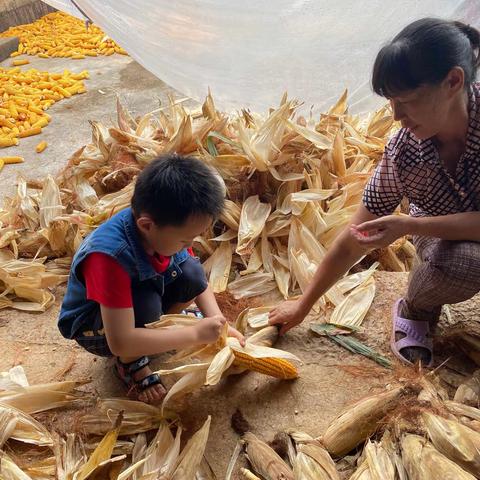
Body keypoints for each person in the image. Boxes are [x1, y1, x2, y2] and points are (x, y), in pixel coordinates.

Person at [270, 18, 480, 367]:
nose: (397, 116)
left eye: (407, 100)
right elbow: (355, 236)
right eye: (391, 102)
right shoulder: (405, 150)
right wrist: (302, 305)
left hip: (433, 226)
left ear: (453, 81)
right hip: (445, 241)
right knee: (465, 264)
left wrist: (411, 226)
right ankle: (417, 309)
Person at [58, 154, 244, 403]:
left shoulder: (164, 228)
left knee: (190, 272)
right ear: (146, 225)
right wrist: (195, 335)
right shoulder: (108, 257)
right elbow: (120, 341)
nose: (190, 244)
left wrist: (218, 323)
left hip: (138, 299)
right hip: (96, 328)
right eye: (185, 239)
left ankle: (161, 328)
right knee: (146, 305)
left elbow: (195, 278)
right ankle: (130, 363)